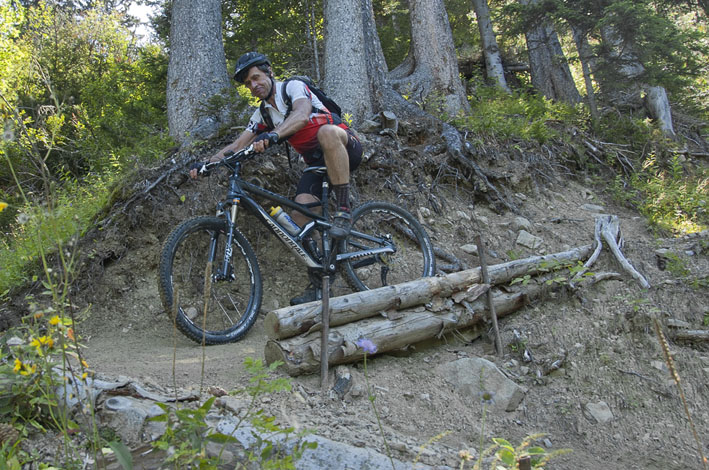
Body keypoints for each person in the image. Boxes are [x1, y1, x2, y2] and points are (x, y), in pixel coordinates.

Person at [190, 52, 362, 304]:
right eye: (248, 83)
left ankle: (344, 210)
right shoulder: (263, 114)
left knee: (326, 132)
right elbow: (237, 144)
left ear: (269, 72)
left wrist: (273, 136)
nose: (253, 85)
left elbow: (302, 115)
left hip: (345, 146)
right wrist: (207, 164)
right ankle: (319, 281)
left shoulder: (292, 87)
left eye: (256, 78)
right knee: (298, 220)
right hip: (317, 164)